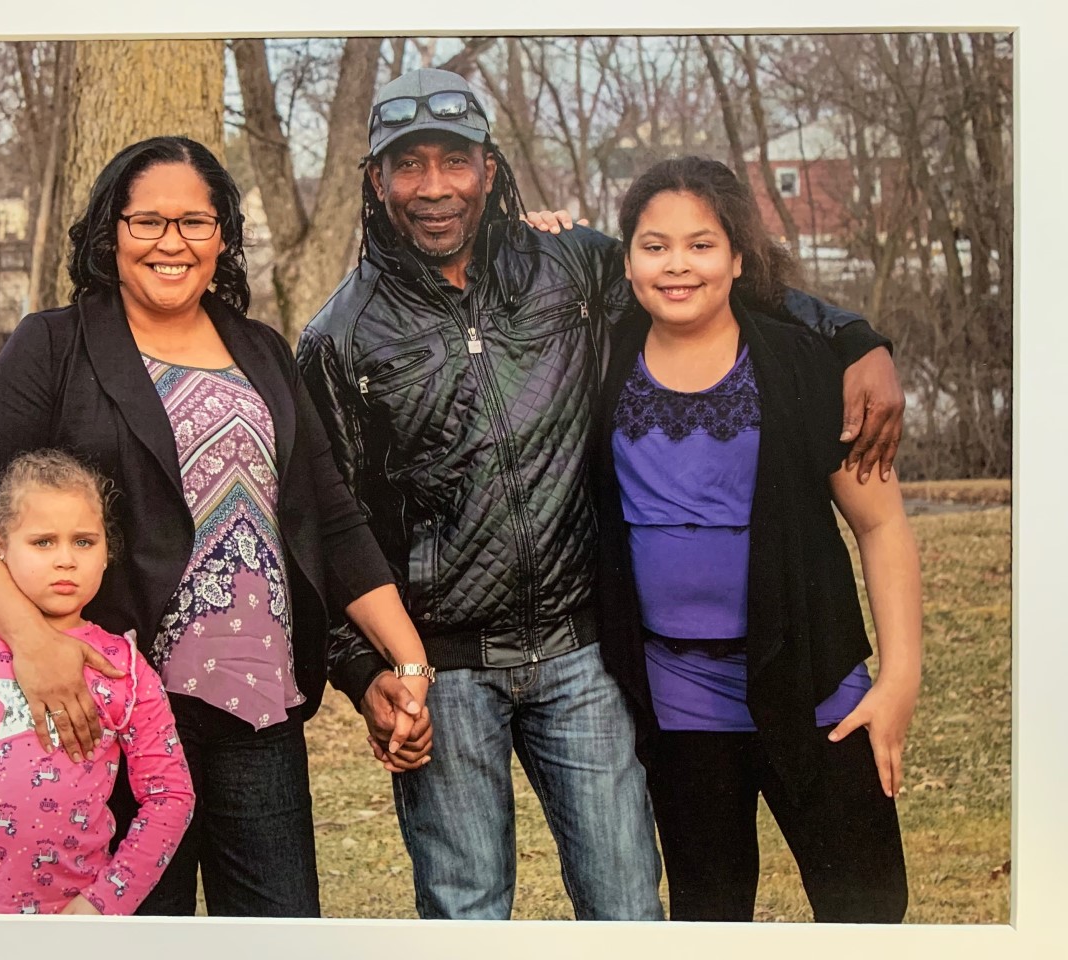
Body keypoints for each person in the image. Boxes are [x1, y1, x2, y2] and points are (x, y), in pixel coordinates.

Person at [296, 67, 905, 921]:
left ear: (491, 170)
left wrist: (855, 337)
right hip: (445, 667)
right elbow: (328, 523)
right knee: (466, 910)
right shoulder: (338, 337)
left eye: (455, 161)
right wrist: (365, 674)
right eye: (408, 166)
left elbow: (701, 282)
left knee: (628, 909)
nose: (433, 187)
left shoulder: (570, 270)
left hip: (584, 654)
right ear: (375, 179)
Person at [0, 136, 433, 917]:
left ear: (223, 235)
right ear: (112, 232)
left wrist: (406, 665)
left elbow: (331, 519)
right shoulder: (54, 347)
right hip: (112, 717)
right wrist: (36, 646)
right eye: (148, 222)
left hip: (258, 719)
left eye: (195, 222)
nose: (172, 243)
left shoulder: (262, 351)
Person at [595, 156, 921, 922]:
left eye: (702, 245)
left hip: (813, 685)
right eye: (655, 245)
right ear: (629, 261)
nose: (678, 264)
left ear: (738, 257)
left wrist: (899, 678)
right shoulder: (600, 359)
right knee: (710, 916)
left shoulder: (802, 364)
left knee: (868, 911)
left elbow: (882, 525)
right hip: (678, 703)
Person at [0, 449, 195, 914]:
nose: (66, 560)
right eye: (43, 542)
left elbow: (171, 795)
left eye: (84, 541)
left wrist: (104, 902)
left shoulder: (125, 668)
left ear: (108, 549)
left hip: (71, 929)